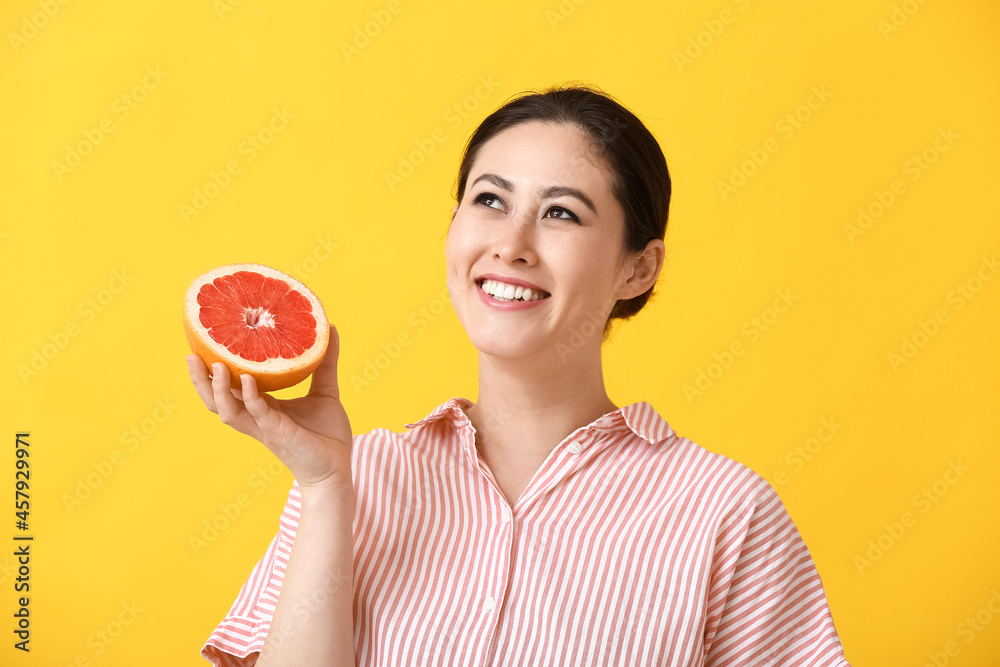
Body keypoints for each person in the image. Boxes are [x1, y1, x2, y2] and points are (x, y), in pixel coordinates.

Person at [189, 84, 851, 666]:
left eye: (561, 212)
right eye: (490, 200)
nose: (512, 243)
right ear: (454, 230)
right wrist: (327, 487)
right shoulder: (362, 475)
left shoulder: (723, 511)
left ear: (638, 268)